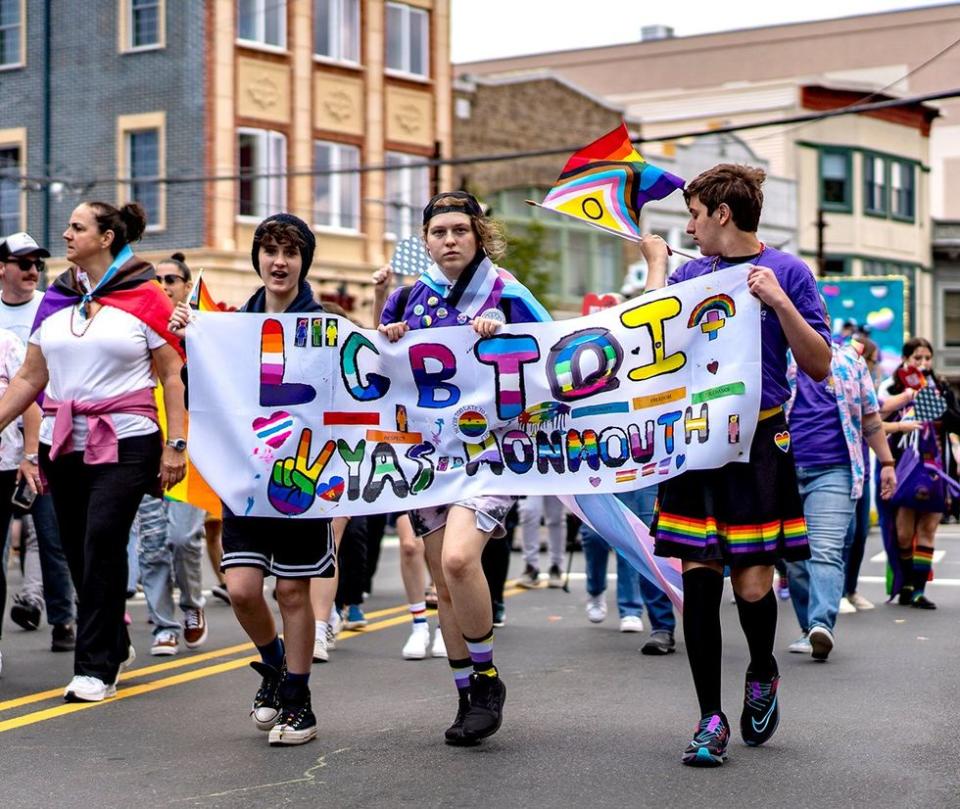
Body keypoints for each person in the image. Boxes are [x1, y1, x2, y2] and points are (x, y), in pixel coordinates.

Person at [640, 164, 831, 767]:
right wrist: (655, 272)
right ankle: (709, 720)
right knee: (698, 578)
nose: (689, 227)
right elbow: (645, 348)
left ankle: (763, 668)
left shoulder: (791, 271)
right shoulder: (690, 273)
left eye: (695, 214)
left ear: (722, 214)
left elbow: (821, 364)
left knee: (751, 584)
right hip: (695, 439)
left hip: (761, 440)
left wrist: (779, 303)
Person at [378, 191, 550, 746]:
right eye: (438, 232)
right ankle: (464, 695)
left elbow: (554, 352)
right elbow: (378, 368)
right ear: (425, 240)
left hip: (493, 451)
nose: (448, 240)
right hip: (426, 455)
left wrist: (510, 335)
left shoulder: (507, 291)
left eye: (459, 230)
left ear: (478, 235)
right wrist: (389, 338)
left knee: (457, 560)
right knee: (443, 585)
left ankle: (487, 677)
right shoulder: (409, 298)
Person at [0, 201, 187, 702]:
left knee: (102, 539)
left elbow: (172, 375)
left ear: (105, 238)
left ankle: (96, 666)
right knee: (78, 546)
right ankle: (116, 639)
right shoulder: (58, 297)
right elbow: (29, 377)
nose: (65, 234)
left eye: (77, 227)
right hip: (63, 440)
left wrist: (177, 445)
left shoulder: (146, 296)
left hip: (128, 439)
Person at [171, 213, 334, 745]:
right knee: (242, 590)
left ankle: (299, 701)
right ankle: (276, 668)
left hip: (303, 477)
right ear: (257, 258)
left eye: (289, 251)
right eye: (269, 250)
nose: (278, 261)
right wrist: (189, 343)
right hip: (247, 478)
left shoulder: (325, 325)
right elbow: (207, 393)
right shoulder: (233, 325)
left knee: (292, 591)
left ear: (304, 260)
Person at [784, 314, 897, 662]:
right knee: (795, 559)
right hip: (783, 469)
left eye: (816, 317)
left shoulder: (850, 361)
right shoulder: (775, 355)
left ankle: (821, 625)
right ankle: (808, 628)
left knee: (827, 549)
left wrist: (888, 463)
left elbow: (870, 417)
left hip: (835, 470)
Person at [0, 233, 75, 651]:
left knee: (50, 533)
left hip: (46, 434)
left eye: (37, 263)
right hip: (3, 442)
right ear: (2, 268)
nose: (32, 271)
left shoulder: (51, 306)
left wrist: (34, 449)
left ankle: (63, 620)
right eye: (23, 262)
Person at [131, 253, 208, 655]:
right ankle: (163, 625)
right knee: (153, 542)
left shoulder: (201, 332)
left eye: (171, 279)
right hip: (143, 447)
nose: (163, 285)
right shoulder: (136, 329)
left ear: (185, 286)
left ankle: (192, 605)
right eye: (155, 279)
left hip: (189, 453)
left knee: (182, 538)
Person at [877, 338, 960, 609]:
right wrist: (909, 396)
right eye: (917, 358)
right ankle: (906, 581)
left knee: (928, 528)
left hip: (937, 467)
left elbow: (955, 422)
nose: (923, 363)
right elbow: (875, 417)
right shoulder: (891, 387)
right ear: (906, 359)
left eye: (927, 358)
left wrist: (931, 399)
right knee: (903, 532)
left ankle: (917, 590)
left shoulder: (942, 388)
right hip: (903, 466)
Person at [581, 485, 677, 653]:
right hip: (599, 469)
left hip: (643, 469)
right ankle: (595, 590)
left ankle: (660, 625)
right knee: (593, 536)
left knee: (646, 538)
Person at [516, 495, 566, 588]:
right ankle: (531, 565)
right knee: (528, 512)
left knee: (556, 518)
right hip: (529, 480)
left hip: (556, 480)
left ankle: (556, 566)